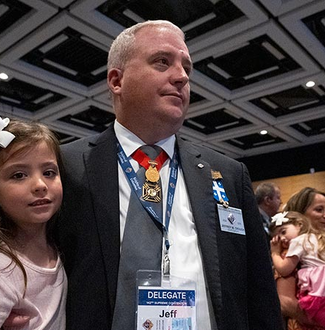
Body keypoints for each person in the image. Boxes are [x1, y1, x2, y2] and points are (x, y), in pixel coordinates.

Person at [56, 20, 283, 330]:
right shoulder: (65, 167)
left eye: (186, 67)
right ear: (116, 80)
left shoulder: (229, 174)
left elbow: (259, 291)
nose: (181, 76)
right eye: (162, 61)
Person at [0, 117, 67, 329]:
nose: (40, 185)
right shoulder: (4, 267)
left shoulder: (59, 245)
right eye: (19, 175)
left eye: (49, 173)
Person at [275, 187, 325, 330]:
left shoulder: (324, 244)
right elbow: (286, 302)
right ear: (300, 217)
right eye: (319, 210)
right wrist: (323, 320)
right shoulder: (290, 250)